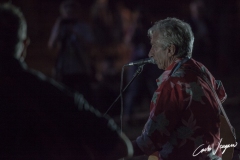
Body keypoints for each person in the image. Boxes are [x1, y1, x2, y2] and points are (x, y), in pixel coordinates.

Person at [0, 3, 133, 159]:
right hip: (66, 73)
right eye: (65, 10)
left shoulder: (83, 27)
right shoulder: (45, 93)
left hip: (80, 71)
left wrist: (77, 35)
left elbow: (92, 47)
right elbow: (120, 146)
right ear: (24, 44)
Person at [131, 17, 227, 160]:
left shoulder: (171, 85)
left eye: (154, 47)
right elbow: (220, 95)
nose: (150, 53)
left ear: (170, 50)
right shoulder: (200, 69)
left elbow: (150, 141)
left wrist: (118, 149)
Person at [48, 0, 94, 102]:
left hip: (81, 68)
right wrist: (59, 25)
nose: (69, 15)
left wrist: (75, 33)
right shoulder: (60, 26)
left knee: (84, 98)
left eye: (72, 12)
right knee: (65, 98)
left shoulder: (83, 27)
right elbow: (52, 45)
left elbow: (90, 45)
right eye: (67, 12)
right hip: (64, 69)